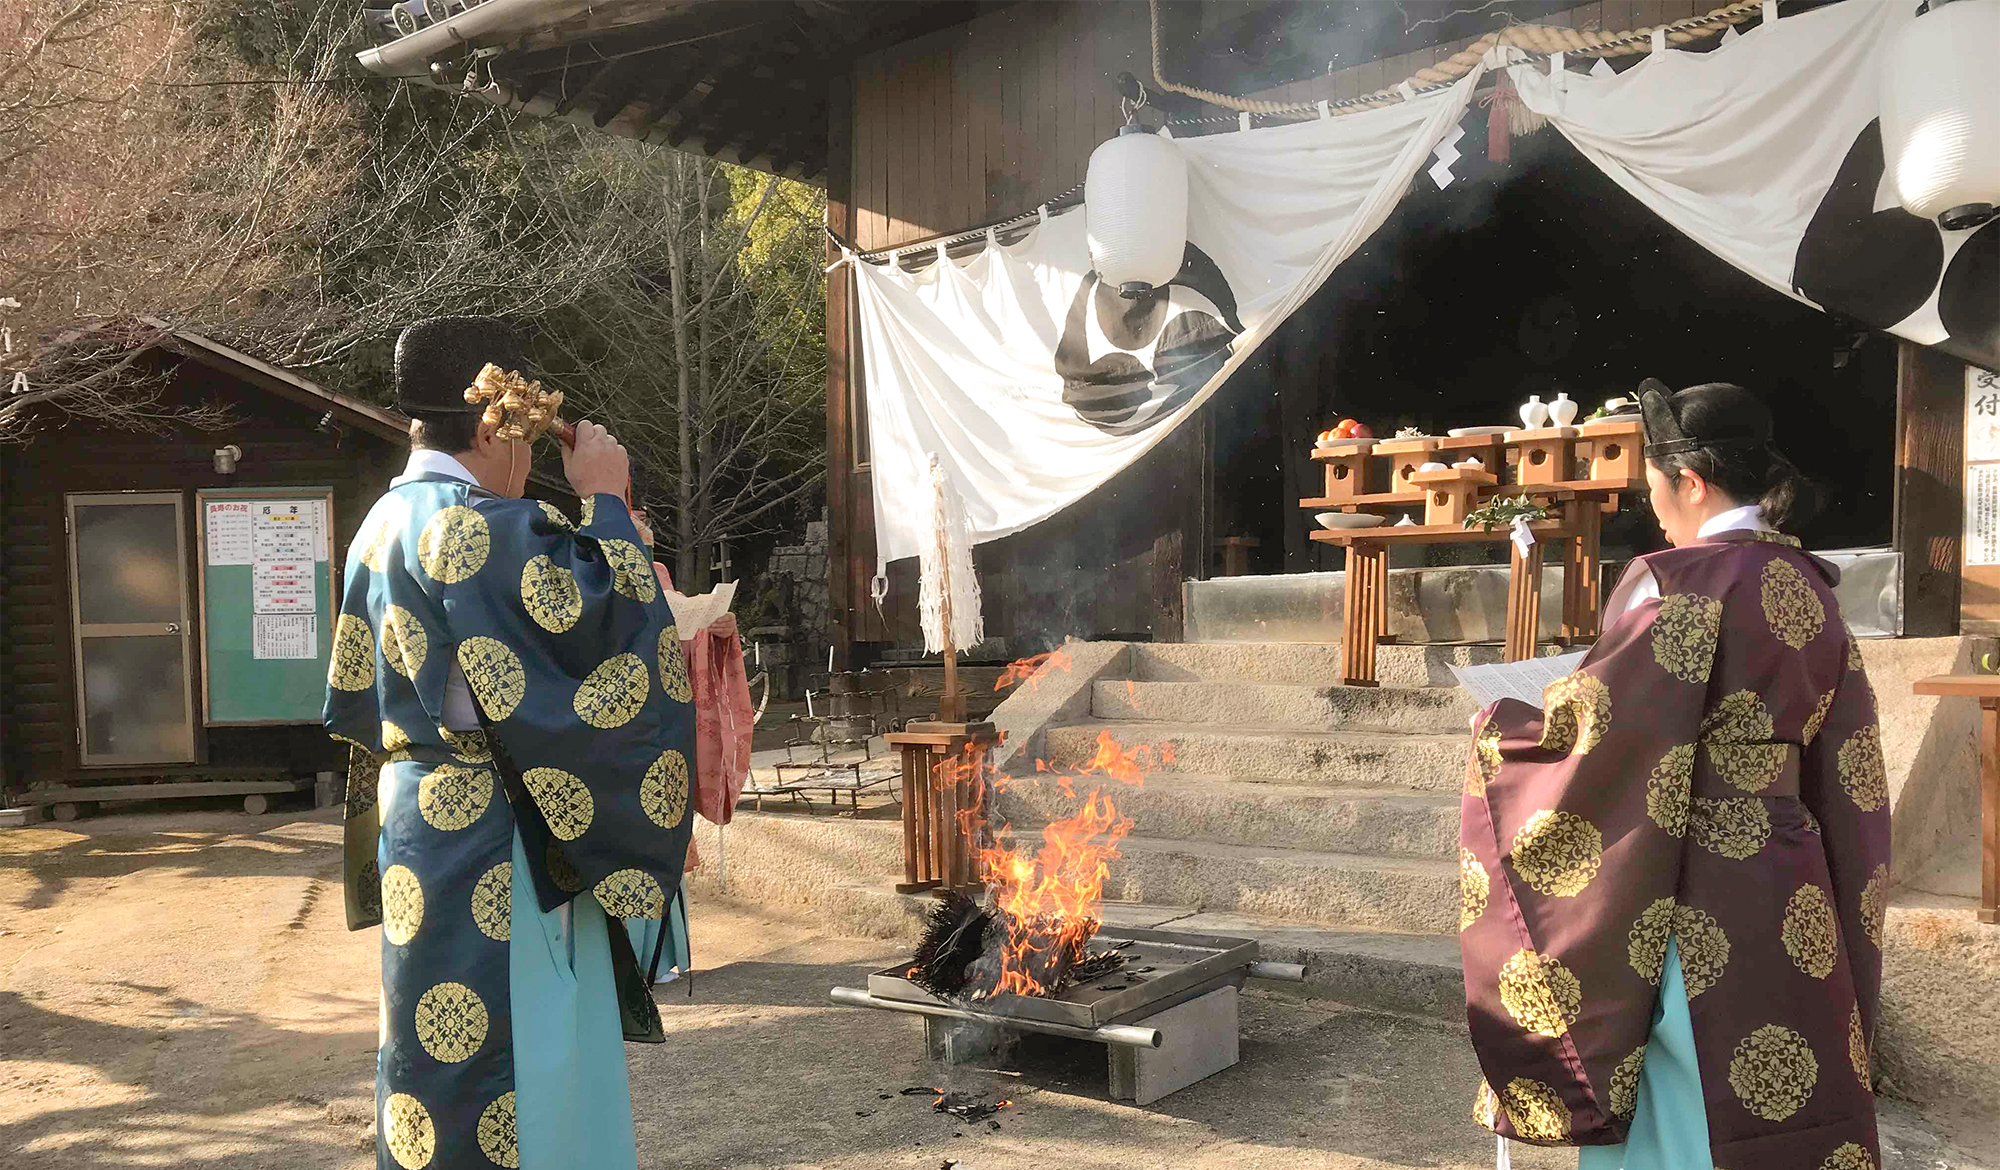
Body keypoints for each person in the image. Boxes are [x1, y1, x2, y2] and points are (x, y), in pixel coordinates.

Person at [1460, 380, 1887, 1170]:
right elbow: (1849, 765)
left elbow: (1604, 731)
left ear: (1690, 481)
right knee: (1793, 1085)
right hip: (1795, 881)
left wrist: (1505, 730)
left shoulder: (1679, 582)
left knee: (1683, 1094)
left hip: (1691, 889)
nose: (1651, 506)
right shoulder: (1815, 590)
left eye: (1653, 485)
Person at [325, 316, 693, 1170]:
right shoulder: (470, 524)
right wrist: (605, 496)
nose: (528, 463)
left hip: (417, 824)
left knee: (431, 1059)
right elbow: (610, 620)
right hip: (495, 840)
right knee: (529, 1057)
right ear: (492, 427)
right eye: (523, 442)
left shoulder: (380, 521)